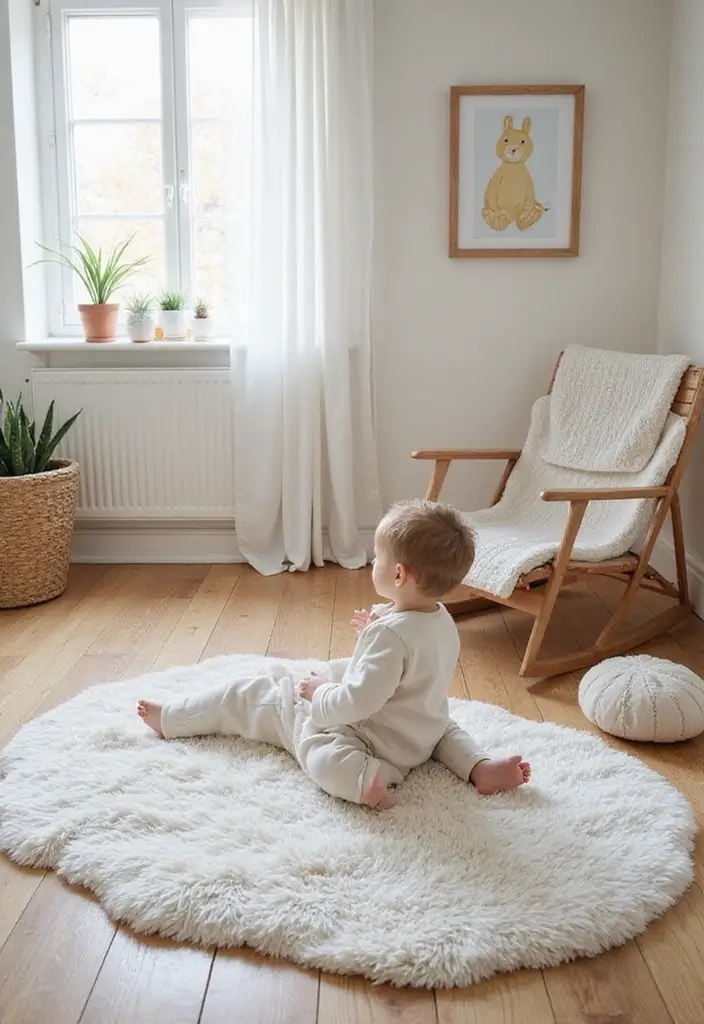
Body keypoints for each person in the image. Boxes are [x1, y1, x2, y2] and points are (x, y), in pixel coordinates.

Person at [138, 500, 531, 809]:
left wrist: (320, 694)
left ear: (398, 575)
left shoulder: (392, 636)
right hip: (420, 731)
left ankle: (362, 779)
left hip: (376, 740)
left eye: (378, 557)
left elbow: (358, 703)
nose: (373, 563)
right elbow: (411, 663)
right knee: (447, 730)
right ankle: (480, 767)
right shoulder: (441, 618)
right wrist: (374, 632)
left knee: (277, 712)